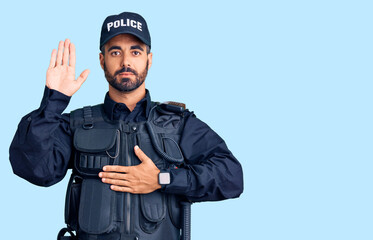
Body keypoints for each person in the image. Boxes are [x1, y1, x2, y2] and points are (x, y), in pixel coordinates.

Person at [9, 11, 243, 240]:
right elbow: (35, 170)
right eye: (115, 52)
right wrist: (54, 100)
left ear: (149, 59)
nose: (126, 61)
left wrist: (162, 179)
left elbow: (231, 177)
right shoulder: (77, 123)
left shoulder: (178, 124)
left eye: (135, 51)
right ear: (102, 60)